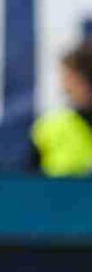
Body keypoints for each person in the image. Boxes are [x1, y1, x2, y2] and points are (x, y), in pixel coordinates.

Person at [31, 41, 92, 177]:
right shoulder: (49, 128)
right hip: (62, 197)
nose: (65, 86)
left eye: (71, 78)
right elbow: (30, 183)